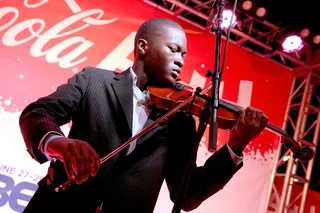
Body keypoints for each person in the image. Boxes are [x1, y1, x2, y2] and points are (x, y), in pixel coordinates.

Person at [19, 18, 269, 213]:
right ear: (142, 47)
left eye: (184, 55)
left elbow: (187, 194)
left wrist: (236, 146)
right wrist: (58, 142)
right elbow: (38, 113)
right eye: (174, 50)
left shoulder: (180, 118)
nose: (181, 61)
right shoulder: (94, 79)